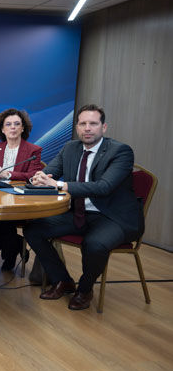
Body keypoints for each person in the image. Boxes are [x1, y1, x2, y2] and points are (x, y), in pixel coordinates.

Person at [24, 104, 144, 310]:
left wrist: (59, 184)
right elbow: (51, 172)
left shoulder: (120, 151)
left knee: (94, 244)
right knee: (33, 230)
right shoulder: (70, 148)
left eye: (93, 124)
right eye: (82, 124)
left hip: (113, 216)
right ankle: (62, 280)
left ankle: (85, 289)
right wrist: (40, 178)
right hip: (79, 212)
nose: (87, 128)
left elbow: (104, 187)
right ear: (77, 127)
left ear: (103, 127)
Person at [0, 108, 42, 271]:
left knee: (4, 216)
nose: (13, 127)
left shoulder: (33, 150)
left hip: (19, 198)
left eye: (17, 124)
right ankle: (15, 245)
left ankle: (10, 253)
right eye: (8, 124)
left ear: (23, 128)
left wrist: (8, 174)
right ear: (2, 129)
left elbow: (33, 175)